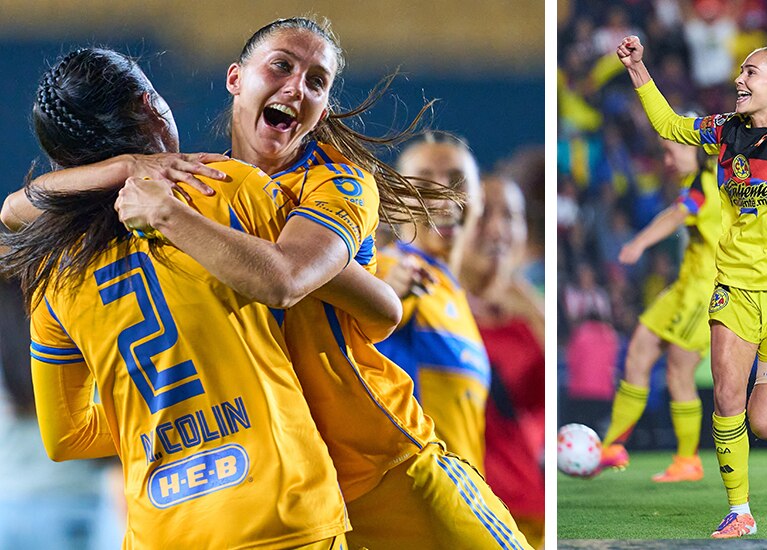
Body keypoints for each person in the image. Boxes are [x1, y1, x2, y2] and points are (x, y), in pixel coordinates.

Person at [3, 18, 530, 549]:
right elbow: (13, 209)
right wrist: (129, 167)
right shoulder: (210, 188)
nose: (297, 86)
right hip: (283, 478)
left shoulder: (333, 180)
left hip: (379, 465)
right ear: (236, 79)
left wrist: (165, 212)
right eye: (281, 65)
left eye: (317, 81)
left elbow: (294, 281)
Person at [0, 47, 349, 549]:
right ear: (150, 106)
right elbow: (323, 300)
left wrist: (152, 412)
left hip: (161, 531)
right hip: (282, 508)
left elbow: (64, 437)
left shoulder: (55, 272)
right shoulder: (228, 188)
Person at [616, 35, 767, 538]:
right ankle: (738, 510)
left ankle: (735, 464)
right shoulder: (723, 132)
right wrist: (638, 68)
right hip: (735, 286)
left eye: (751, 72)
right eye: (741, 71)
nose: (739, 80)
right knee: (726, 395)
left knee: (764, 422)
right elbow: (669, 125)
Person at [596, 139, 721, 483]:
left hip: (705, 292)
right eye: (664, 152)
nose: (667, 159)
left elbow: (676, 215)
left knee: (678, 372)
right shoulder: (692, 184)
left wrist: (639, 242)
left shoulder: (707, 184)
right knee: (637, 354)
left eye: (673, 151)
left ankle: (687, 460)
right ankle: (611, 447)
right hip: (683, 287)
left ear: (697, 150)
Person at [375, 134, 492, 471]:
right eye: (424, 181)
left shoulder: (451, 291)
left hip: (465, 500)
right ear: (396, 200)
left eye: (456, 180)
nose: (443, 194)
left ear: (480, 199)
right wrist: (384, 292)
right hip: (418, 499)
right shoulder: (390, 267)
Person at [461, 174, 546, 548]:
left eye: (510, 216)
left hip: (527, 514)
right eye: (481, 215)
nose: (496, 228)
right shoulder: (424, 310)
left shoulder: (532, 316)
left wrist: (532, 311)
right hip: (454, 509)